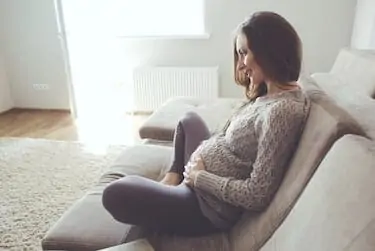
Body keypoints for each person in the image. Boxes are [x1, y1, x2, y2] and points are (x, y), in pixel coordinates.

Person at [102, 11, 311, 237]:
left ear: (268, 52)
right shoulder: (270, 94)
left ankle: (176, 185)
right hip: (196, 179)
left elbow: (257, 194)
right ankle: (173, 178)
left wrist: (200, 177)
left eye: (244, 53)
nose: (241, 65)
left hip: (205, 206)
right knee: (188, 120)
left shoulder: (282, 112)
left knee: (115, 193)